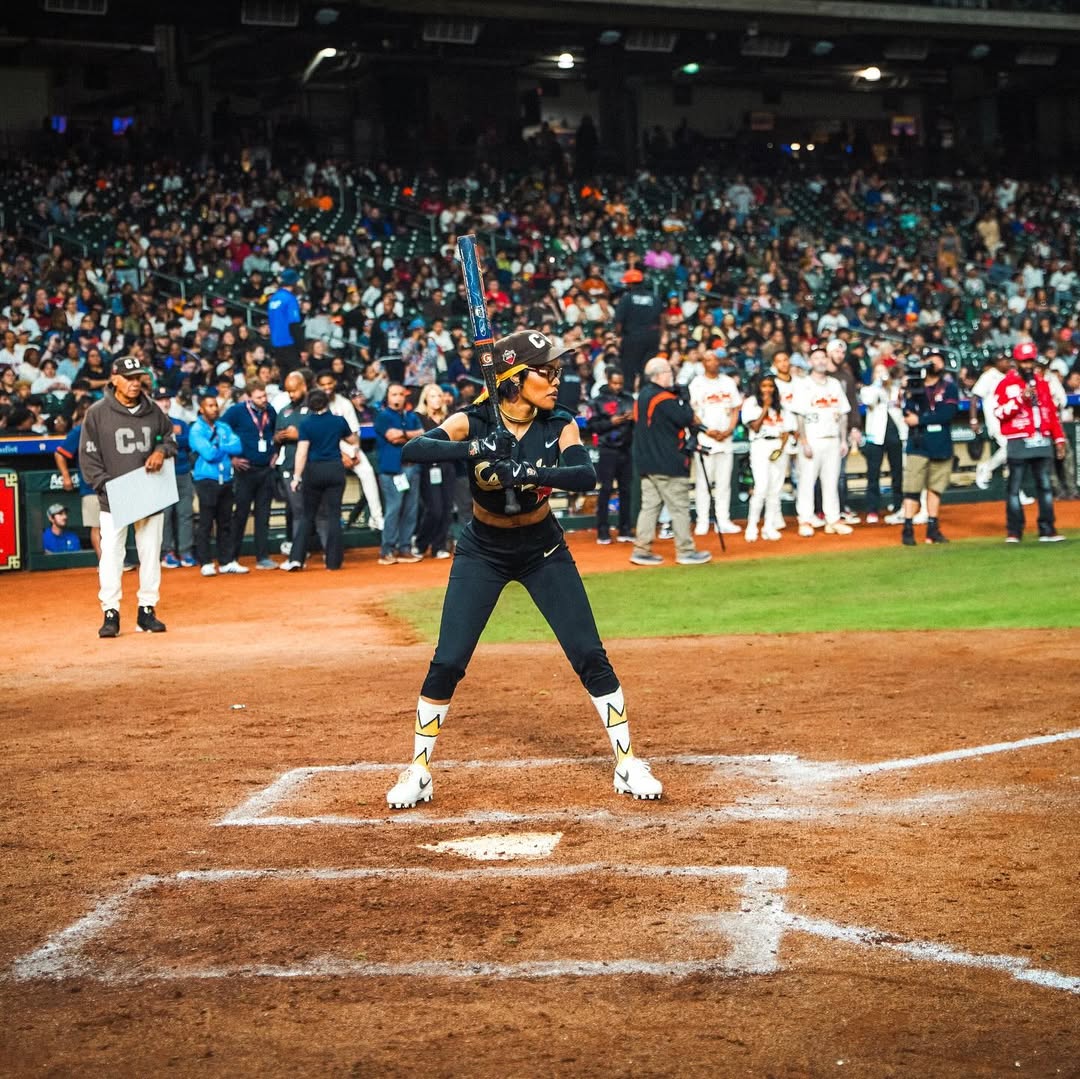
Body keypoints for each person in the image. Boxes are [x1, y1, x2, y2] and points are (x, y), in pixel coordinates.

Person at [383, 329, 663, 809]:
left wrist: (527, 472)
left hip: (543, 549)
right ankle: (419, 770)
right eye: (546, 371)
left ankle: (627, 761)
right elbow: (414, 450)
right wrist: (476, 449)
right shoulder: (473, 419)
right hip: (482, 551)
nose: (558, 379)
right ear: (513, 377)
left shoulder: (559, 422)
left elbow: (584, 475)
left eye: (558, 370)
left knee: (588, 653)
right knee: (448, 660)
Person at [79, 355, 176, 638]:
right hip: (115, 495)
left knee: (150, 554)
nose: (135, 383)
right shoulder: (97, 412)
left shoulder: (153, 411)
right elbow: (89, 457)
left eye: (138, 378)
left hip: (149, 493)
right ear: (115, 379)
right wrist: (106, 487)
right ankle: (111, 612)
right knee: (111, 555)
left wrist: (161, 451)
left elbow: (169, 438)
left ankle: (147, 610)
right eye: (129, 378)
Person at [629, 357, 712, 567]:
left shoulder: (643, 396)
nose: (672, 376)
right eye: (668, 372)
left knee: (649, 508)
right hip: (668, 462)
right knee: (680, 508)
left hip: (647, 463)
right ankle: (685, 550)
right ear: (658, 375)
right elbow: (686, 418)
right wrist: (684, 400)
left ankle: (641, 550)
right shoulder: (663, 398)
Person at [993, 342, 1067, 543]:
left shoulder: (1042, 383)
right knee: (1014, 488)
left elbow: (1051, 413)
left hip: (1042, 439)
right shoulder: (1006, 385)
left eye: (1030, 361)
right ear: (1016, 362)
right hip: (1018, 440)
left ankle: (1047, 530)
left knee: (1044, 485)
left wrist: (1059, 439)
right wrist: (1020, 399)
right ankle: (1014, 532)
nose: (1027, 365)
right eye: (1024, 361)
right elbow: (998, 413)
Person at [282, 389, 357, 571]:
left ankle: (296, 559)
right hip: (335, 469)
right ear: (327, 403)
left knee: (308, 516)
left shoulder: (306, 424)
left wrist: (296, 477)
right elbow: (353, 439)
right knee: (333, 515)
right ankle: (333, 562)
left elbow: (302, 452)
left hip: (314, 471)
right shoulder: (338, 421)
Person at [790, 348, 854, 539]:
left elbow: (843, 413)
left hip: (832, 439)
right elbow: (799, 416)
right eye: (816, 358)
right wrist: (804, 441)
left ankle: (833, 520)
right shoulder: (803, 384)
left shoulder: (834, 384)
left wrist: (843, 440)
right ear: (810, 362)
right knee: (807, 481)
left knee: (831, 481)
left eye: (823, 357)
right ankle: (805, 520)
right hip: (812, 439)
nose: (820, 361)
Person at [899, 349, 958, 546]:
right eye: (931, 360)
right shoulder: (915, 386)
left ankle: (932, 527)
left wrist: (921, 419)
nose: (935, 363)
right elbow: (906, 414)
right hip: (918, 443)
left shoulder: (949, 387)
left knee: (936, 487)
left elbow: (947, 413)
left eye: (939, 360)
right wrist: (906, 392)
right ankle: (907, 528)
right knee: (912, 488)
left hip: (940, 443)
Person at [315, 370, 384, 531]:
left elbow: (355, 432)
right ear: (317, 386)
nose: (327, 387)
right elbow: (322, 436)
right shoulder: (316, 403)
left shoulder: (344, 403)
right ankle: (334, 522)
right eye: (323, 384)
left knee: (367, 471)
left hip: (347, 445)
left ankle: (376, 517)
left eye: (329, 383)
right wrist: (343, 455)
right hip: (327, 450)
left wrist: (354, 452)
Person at [221, 380, 279, 570]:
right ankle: (231, 558)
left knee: (264, 515)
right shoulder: (236, 411)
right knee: (240, 515)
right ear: (249, 397)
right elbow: (220, 430)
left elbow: (274, 433)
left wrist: (275, 452)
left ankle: (262, 557)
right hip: (244, 471)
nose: (264, 400)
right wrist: (231, 458)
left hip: (266, 470)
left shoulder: (270, 411)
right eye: (259, 397)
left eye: (265, 396)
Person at [189, 390, 248, 576]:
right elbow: (208, 454)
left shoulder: (223, 427)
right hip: (206, 479)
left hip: (226, 479)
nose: (214, 409)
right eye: (210, 406)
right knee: (206, 522)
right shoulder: (196, 429)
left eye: (215, 405)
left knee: (225, 522)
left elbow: (238, 446)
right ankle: (205, 562)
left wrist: (219, 446)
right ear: (201, 409)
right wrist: (225, 447)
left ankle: (226, 561)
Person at [688, 350, 742, 536]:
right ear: (703, 363)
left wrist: (729, 429)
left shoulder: (727, 382)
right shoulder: (697, 383)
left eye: (715, 359)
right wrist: (707, 430)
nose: (713, 363)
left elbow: (736, 408)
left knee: (724, 482)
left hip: (726, 439)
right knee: (704, 482)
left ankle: (723, 519)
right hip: (706, 439)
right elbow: (692, 413)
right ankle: (702, 520)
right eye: (708, 360)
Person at [374, 382, 425, 565]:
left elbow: (422, 434)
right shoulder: (382, 416)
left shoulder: (411, 416)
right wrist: (410, 435)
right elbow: (391, 437)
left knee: (411, 510)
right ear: (388, 397)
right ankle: (387, 549)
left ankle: (404, 548)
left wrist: (403, 434)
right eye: (393, 394)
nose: (397, 398)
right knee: (394, 510)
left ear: (405, 397)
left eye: (400, 394)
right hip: (392, 469)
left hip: (412, 467)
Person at [741, 374, 794, 542]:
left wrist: (781, 448)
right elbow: (754, 427)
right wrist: (765, 407)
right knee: (761, 487)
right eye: (764, 386)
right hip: (760, 445)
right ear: (758, 387)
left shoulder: (781, 406)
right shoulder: (751, 403)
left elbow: (787, 429)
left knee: (775, 490)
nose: (767, 389)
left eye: (770, 386)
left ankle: (769, 526)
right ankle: (752, 526)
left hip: (777, 446)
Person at [587, 365, 635, 544]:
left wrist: (633, 418)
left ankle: (625, 529)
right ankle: (603, 530)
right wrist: (611, 422)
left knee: (626, 490)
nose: (618, 386)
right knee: (605, 490)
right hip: (607, 449)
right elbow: (591, 425)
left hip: (626, 448)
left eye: (620, 383)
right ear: (608, 381)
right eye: (615, 383)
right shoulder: (597, 401)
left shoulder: (629, 399)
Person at [153, 386, 197, 568]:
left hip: (182, 471)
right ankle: (167, 552)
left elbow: (188, 443)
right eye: (161, 399)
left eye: (167, 399)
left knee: (185, 513)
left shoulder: (180, 423)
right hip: (160, 474)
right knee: (165, 515)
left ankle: (185, 551)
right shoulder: (149, 424)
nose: (165, 402)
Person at [53, 398, 100, 558]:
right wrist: (66, 477)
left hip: (112, 484)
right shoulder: (80, 431)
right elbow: (60, 453)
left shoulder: (110, 429)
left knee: (114, 527)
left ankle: (115, 560)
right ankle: (104, 562)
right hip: (91, 485)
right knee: (97, 526)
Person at [413, 382, 455, 559]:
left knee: (446, 509)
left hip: (447, 466)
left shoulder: (449, 417)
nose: (436, 399)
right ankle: (421, 543)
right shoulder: (418, 417)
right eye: (432, 396)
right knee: (434, 509)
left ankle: (438, 546)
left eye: (438, 395)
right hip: (428, 467)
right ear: (425, 399)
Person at [859, 363, 905, 525]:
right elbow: (869, 401)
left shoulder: (895, 389)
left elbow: (901, 406)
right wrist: (878, 384)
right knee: (873, 474)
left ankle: (899, 506)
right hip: (876, 437)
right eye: (877, 372)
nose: (881, 374)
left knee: (897, 473)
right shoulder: (868, 389)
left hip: (895, 435)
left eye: (883, 371)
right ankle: (872, 509)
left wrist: (890, 385)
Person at [613, 269, 664, 391]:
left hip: (632, 338)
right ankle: (645, 394)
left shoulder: (627, 298)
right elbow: (662, 321)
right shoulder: (655, 298)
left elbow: (619, 322)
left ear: (630, 284)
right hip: (652, 338)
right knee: (646, 370)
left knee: (628, 370)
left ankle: (628, 395)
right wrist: (659, 337)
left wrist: (618, 336)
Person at [970, 352, 1012, 491]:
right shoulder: (988, 376)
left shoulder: (1011, 375)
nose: (1007, 362)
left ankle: (1015, 489)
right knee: (1010, 449)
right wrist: (973, 419)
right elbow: (974, 398)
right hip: (995, 421)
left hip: (1011, 419)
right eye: (1003, 360)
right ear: (997, 362)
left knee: (1014, 453)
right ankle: (986, 468)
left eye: (1008, 359)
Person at [267, 268, 303, 376]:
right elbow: (294, 324)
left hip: (276, 343)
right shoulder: (290, 299)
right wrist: (301, 347)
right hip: (289, 342)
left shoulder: (274, 298)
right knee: (295, 375)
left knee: (283, 374)